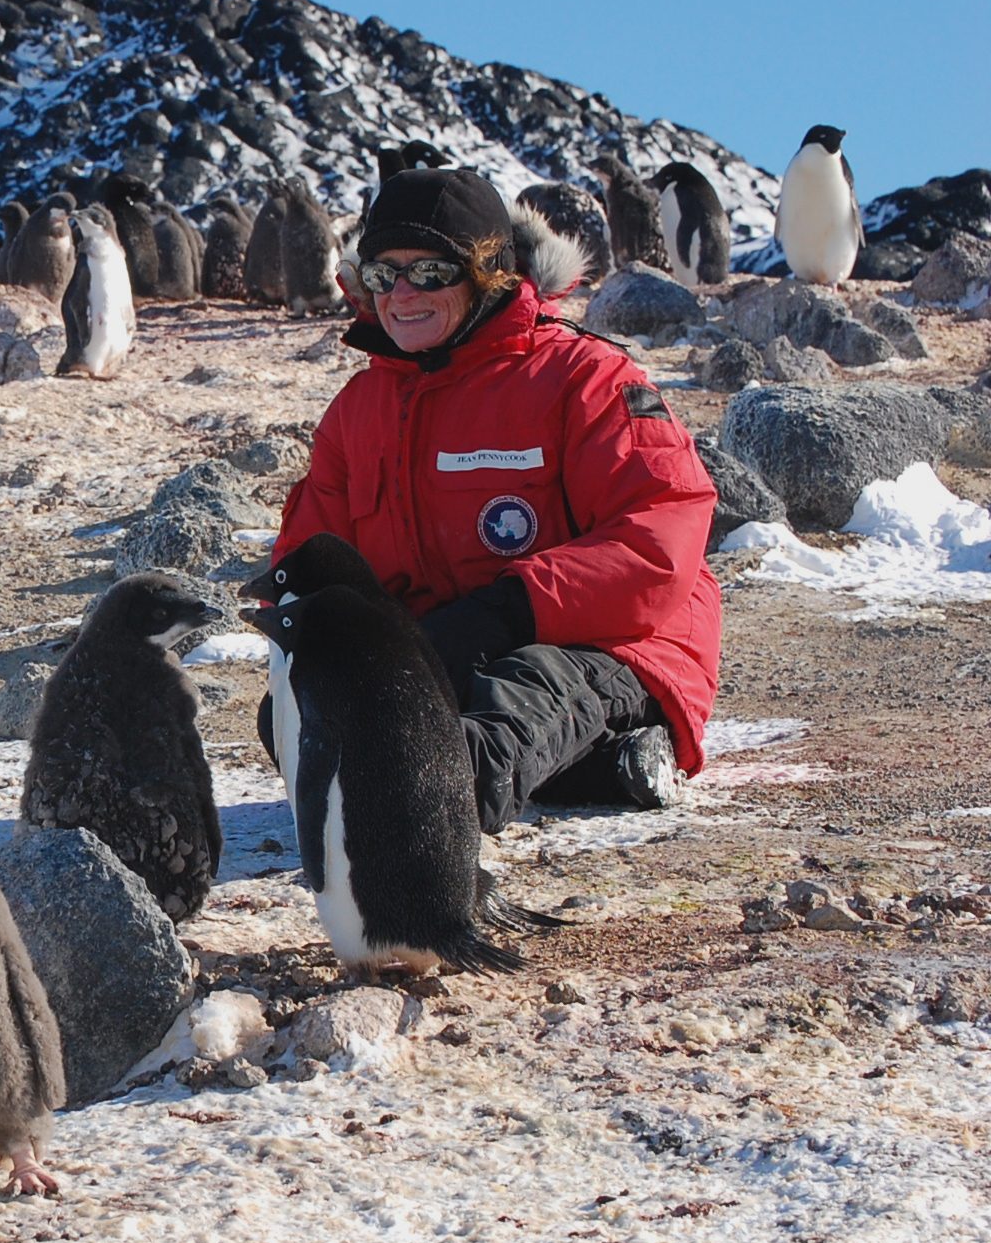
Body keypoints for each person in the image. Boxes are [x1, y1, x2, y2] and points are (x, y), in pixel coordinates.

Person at [265, 168, 722, 833]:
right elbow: (309, 558)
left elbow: (659, 538)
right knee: (296, 719)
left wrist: (508, 609)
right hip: (438, 645)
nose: (402, 294)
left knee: (507, 709)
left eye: (429, 272)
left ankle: (447, 802)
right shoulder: (359, 412)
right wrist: (325, 644)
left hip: (614, 644)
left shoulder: (585, 379)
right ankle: (604, 768)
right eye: (383, 274)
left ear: (487, 273)